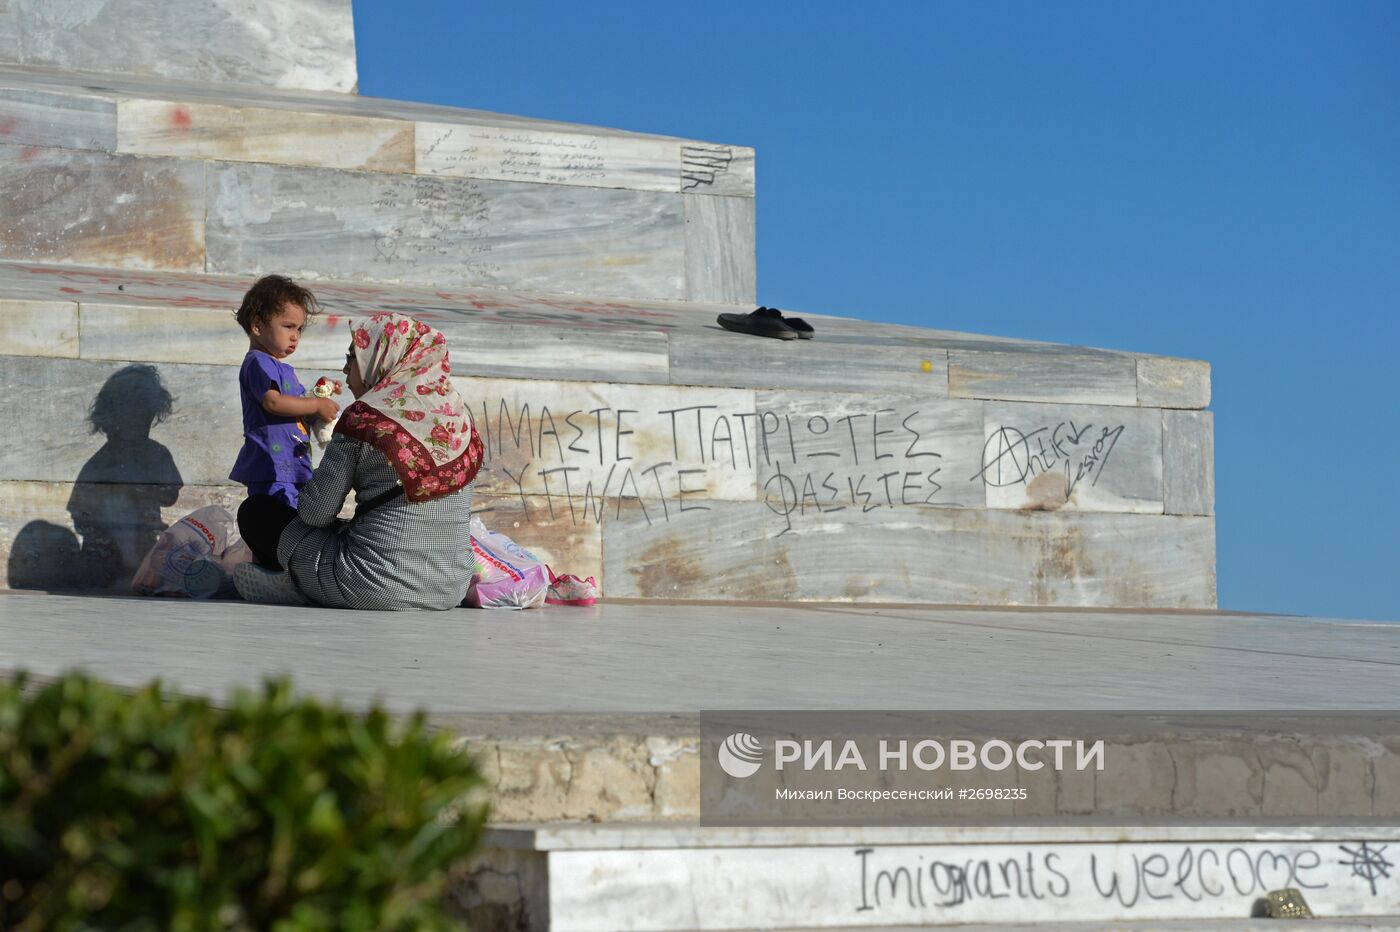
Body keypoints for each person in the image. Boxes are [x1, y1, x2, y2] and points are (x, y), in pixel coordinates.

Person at [233, 313, 484, 610]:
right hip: (450, 586)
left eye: (352, 359)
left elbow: (316, 514)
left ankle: (301, 584)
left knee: (257, 512)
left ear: (381, 361)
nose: (345, 369)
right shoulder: (460, 419)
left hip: (370, 584)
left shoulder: (365, 419)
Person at [230, 275, 340, 568]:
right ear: (257, 326)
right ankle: (268, 568)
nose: (295, 336)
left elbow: (295, 408)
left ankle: (289, 568)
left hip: (293, 464)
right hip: (271, 463)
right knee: (270, 519)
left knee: (292, 521)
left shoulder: (283, 368)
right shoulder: (258, 362)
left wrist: (317, 395)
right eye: (288, 326)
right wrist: (315, 403)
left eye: (299, 329)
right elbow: (274, 402)